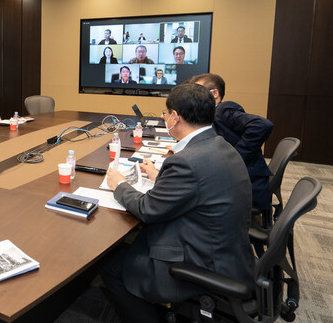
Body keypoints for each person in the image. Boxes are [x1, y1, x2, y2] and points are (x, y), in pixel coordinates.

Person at [102, 84, 254, 322]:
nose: (164, 117)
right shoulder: (219, 144)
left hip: (201, 262)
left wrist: (119, 185)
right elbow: (198, 185)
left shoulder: (187, 161)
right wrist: (159, 176)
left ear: (175, 117)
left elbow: (147, 209)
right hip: (227, 252)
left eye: (165, 113)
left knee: (112, 266)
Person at [189, 73, 274, 212]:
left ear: (215, 93)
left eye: (198, 91)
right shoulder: (211, 114)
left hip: (246, 185)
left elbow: (262, 125)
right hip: (234, 179)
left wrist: (235, 156)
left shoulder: (223, 109)